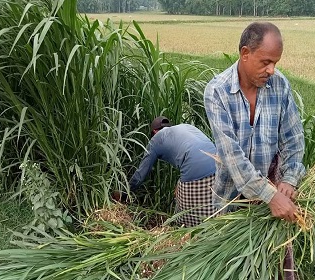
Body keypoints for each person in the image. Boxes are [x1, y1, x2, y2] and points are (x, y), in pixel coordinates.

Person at [204, 22, 305, 278]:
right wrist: (271, 196)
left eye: (275, 62)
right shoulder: (217, 92)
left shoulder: (279, 86)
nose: (271, 70)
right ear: (245, 53)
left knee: (277, 264)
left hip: (273, 199)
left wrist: (290, 180)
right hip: (231, 199)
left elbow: (294, 139)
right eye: (265, 62)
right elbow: (231, 157)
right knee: (229, 267)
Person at [124, 116, 217, 227]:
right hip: (219, 165)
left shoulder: (156, 139)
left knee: (184, 219)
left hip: (195, 170)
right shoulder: (186, 127)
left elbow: (141, 174)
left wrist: (126, 192)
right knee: (213, 211)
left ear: (154, 131)